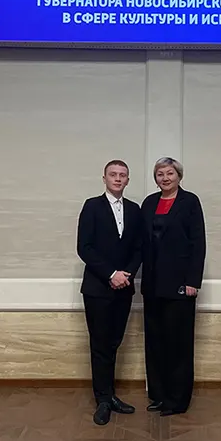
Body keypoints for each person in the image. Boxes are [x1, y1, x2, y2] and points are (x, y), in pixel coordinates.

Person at [76, 159, 143, 425]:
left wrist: (126, 274)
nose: (117, 178)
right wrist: (110, 274)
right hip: (97, 288)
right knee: (100, 344)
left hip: (124, 288)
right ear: (104, 178)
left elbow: (139, 248)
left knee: (114, 343)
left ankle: (110, 394)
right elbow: (84, 247)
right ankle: (102, 400)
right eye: (113, 174)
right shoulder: (91, 206)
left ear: (128, 180)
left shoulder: (135, 210)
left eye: (122, 175)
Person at [140, 157, 206, 417]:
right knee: (155, 342)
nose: (165, 178)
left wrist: (192, 281)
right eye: (160, 174)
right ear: (155, 178)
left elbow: (198, 243)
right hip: (152, 285)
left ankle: (177, 400)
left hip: (180, 285)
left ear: (179, 176)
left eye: (170, 173)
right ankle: (159, 395)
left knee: (178, 344)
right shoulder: (148, 203)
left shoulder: (190, 202)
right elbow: (141, 242)